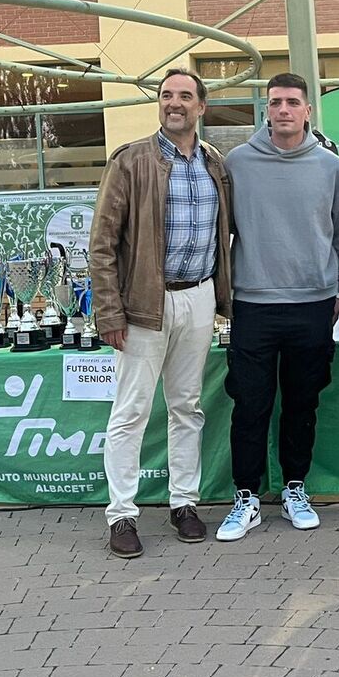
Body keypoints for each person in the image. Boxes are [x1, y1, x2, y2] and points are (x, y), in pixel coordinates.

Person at [90, 68, 233, 559]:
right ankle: (122, 514)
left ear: (201, 107)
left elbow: (225, 238)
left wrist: (222, 301)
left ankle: (184, 503)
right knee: (130, 412)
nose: (174, 103)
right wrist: (110, 311)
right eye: (166, 95)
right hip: (143, 304)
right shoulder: (131, 161)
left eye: (185, 96)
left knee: (187, 407)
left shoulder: (216, 164)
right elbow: (102, 243)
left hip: (198, 298)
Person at [217, 72, 339, 542]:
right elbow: (222, 233)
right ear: (266, 110)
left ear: (308, 111)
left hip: (313, 304)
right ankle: (246, 497)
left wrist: (338, 289)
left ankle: (295, 487)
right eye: (275, 102)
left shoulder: (330, 167)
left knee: (302, 403)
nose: (283, 110)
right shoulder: (237, 163)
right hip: (253, 304)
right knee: (250, 405)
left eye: (293, 102)